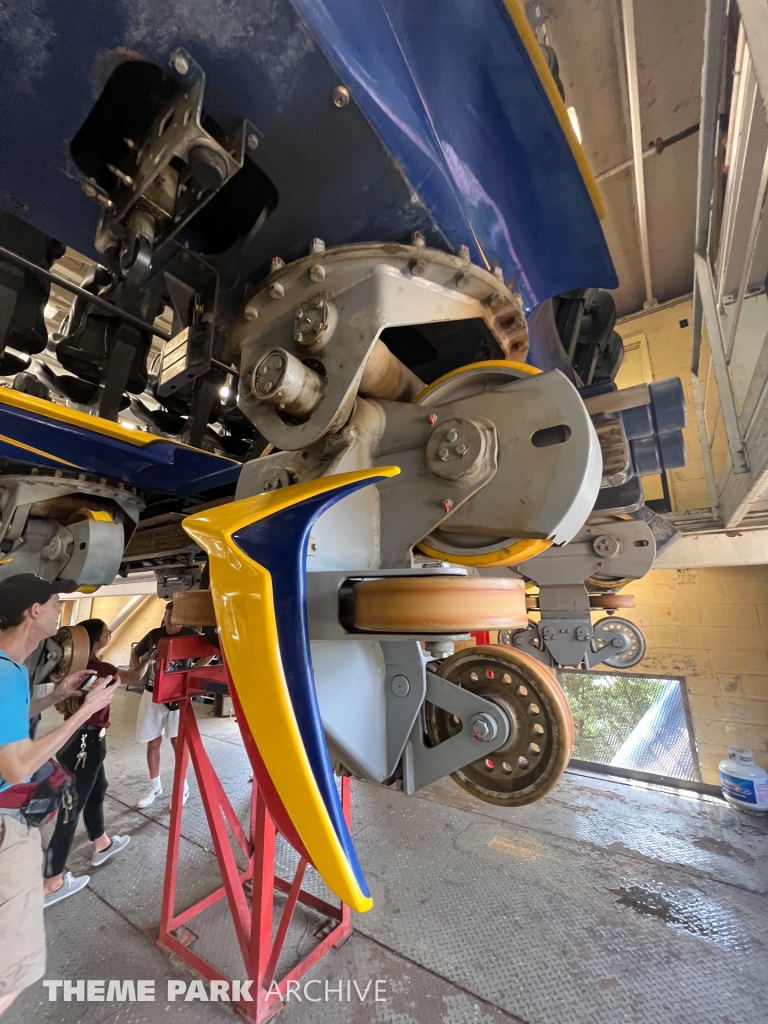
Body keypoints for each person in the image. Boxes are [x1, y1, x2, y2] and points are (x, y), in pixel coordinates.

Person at [0, 575, 118, 1018]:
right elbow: (16, 767)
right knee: (15, 970)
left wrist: (57, 698)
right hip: (4, 829)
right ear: (34, 611)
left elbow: (10, 721)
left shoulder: (7, 670)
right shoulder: (7, 674)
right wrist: (85, 711)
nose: (59, 612)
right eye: (54, 604)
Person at [43, 619, 131, 907]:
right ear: (94, 640)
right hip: (87, 743)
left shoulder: (75, 667)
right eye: (106, 632)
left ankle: (101, 843)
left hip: (80, 741)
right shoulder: (104, 670)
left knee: (98, 787)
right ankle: (52, 882)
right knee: (71, 810)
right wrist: (147, 662)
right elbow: (133, 676)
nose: (110, 634)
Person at [132, 602, 201, 808]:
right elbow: (136, 652)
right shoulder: (154, 635)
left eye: (174, 616)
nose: (170, 620)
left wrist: (192, 672)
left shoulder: (191, 635)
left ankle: (182, 786)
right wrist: (138, 671)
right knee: (153, 740)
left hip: (177, 695)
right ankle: (155, 786)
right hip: (153, 692)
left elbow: (210, 651)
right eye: (167, 615)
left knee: (178, 742)